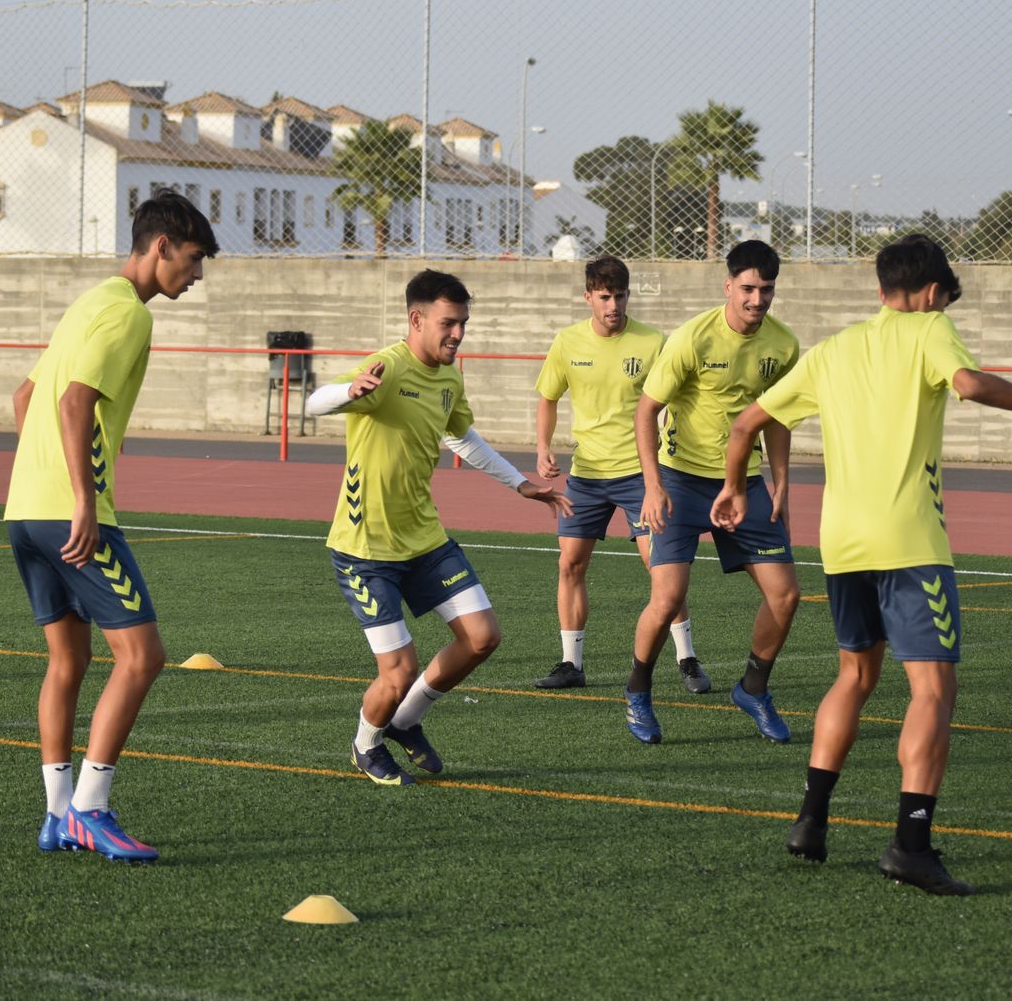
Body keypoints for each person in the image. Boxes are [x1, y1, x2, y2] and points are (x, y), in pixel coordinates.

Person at [711, 234, 1012, 896]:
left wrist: (731, 486)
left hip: (842, 545)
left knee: (854, 677)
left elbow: (746, 423)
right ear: (926, 292)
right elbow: (970, 384)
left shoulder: (833, 349)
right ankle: (911, 844)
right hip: (909, 543)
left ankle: (810, 821)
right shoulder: (928, 330)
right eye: (945, 296)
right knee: (932, 692)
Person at [7, 189, 217, 861]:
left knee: (68, 660)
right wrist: (82, 497)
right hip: (70, 513)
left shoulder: (89, 302)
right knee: (143, 656)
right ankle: (91, 812)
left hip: (23, 512)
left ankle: (55, 814)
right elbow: (72, 401)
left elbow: (26, 396)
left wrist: (42, 481)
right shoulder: (128, 315)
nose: (197, 274)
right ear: (160, 248)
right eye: (191, 259)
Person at [307, 269, 572, 786]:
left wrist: (521, 484)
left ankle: (405, 720)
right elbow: (316, 404)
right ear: (417, 319)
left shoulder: (450, 376)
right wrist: (347, 391)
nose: (458, 334)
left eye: (463, 324)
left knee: (482, 637)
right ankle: (366, 744)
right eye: (449, 323)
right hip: (365, 549)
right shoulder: (386, 366)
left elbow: (462, 438)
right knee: (399, 671)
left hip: (424, 539)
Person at [626, 240, 802, 745]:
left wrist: (782, 485)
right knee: (668, 598)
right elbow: (645, 412)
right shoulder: (691, 339)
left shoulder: (783, 346)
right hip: (679, 482)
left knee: (786, 595)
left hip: (743, 486)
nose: (757, 299)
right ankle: (638, 691)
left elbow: (777, 418)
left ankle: (752, 688)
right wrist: (653, 486)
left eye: (766, 290)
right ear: (728, 286)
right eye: (748, 288)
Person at [532, 256, 707, 692]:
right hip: (586, 476)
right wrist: (542, 448)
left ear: (630, 295)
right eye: (605, 297)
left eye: (621, 296)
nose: (613, 305)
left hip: (640, 477)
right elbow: (548, 398)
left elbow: (679, 398)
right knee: (570, 564)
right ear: (588, 296)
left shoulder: (652, 341)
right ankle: (571, 663)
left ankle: (687, 658)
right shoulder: (567, 342)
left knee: (661, 567)